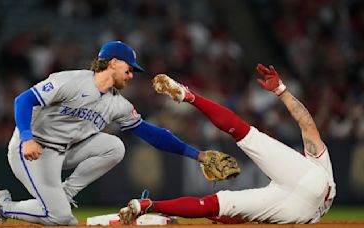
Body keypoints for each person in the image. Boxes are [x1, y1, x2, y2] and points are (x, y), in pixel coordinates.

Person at [0, 41, 209, 225]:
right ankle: (3, 207)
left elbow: (153, 134)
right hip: (31, 150)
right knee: (61, 218)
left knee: (115, 147)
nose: (131, 75)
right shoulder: (72, 81)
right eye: (129, 69)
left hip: (64, 152)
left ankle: (66, 192)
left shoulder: (118, 104)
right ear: (113, 63)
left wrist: (198, 155)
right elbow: (23, 100)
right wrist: (27, 137)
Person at [119, 64, 336, 224]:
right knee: (219, 205)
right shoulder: (312, 170)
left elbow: (307, 124)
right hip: (305, 213)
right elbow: (238, 216)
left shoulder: (317, 162)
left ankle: (189, 95)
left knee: (244, 134)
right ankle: (146, 206)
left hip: (301, 196)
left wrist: (281, 90)